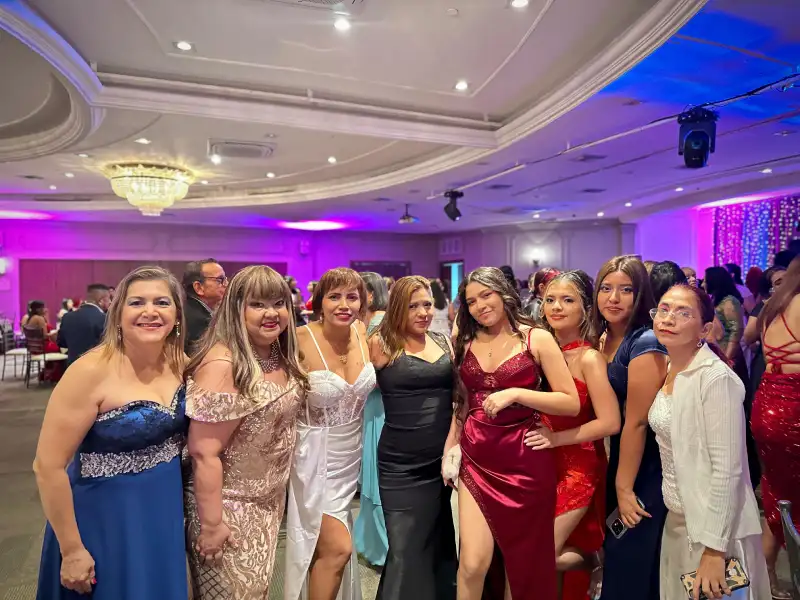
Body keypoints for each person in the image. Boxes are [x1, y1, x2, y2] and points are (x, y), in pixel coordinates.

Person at [34, 266, 189, 600]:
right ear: (117, 313)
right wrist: (72, 549)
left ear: (177, 315)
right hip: (105, 515)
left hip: (163, 507)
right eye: (137, 302)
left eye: (162, 302)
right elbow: (47, 466)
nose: (150, 311)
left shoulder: (180, 362)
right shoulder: (90, 371)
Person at [447, 266, 579, 600]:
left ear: (503, 293)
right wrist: (451, 447)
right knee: (472, 564)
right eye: (471, 301)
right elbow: (462, 403)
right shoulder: (464, 341)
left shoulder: (536, 338)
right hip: (476, 458)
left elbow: (570, 402)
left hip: (524, 461)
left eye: (486, 295)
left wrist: (517, 393)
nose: (480, 306)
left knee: (522, 564)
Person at [185, 265, 308, 599]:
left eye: (278, 303)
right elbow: (203, 452)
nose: (271, 313)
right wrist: (212, 525)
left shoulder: (279, 353)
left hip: (268, 502)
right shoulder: (224, 365)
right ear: (236, 308)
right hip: (228, 507)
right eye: (257, 304)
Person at [649, 284, 769, 600]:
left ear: (704, 329)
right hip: (678, 519)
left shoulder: (715, 379)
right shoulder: (673, 366)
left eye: (683, 313)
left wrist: (715, 550)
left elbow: (728, 471)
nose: (668, 318)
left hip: (712, 528)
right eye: (664, 309)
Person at [525, 270, 620, 600]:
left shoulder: (589, 358)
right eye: (550, 300)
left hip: (578, 468)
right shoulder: (538, 352)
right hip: (540, 465)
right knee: (533, 552)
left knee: (540, 554)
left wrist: (556, 440)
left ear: (585, 309)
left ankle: (598, 560)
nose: (557, 307)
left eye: (568, 300)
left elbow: (610, 422)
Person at [284, 268, 376, 600]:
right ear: (319, 302)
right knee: (338, 548)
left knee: (326, 551)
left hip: (350, 457)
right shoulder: (298, 338)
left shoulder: (363, 333)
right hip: (312, 458)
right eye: (334, 296)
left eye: (352, 297)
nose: (344, 305)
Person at [370, 276, 457, 600]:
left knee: (436, 541)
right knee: (404, 548)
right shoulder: (380, 344)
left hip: (439, 462)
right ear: (397, 308)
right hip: (400, 465)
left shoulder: (443, 341)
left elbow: (458, 399)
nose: (423, 312)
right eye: (413, 306)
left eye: (427, 305)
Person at [593, 255, 668, 600]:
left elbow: (638, 422)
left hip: (643, 466)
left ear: (640, 295)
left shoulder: (645, 342)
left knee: (631, 559)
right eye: (606, 288)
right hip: (614, 461)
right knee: (615, 557)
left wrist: (624, 488)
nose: (613, 298)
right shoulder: (602, 337)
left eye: (625, 290)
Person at [752, 256, 800, 597]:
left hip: (768, 403)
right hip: (795, 407)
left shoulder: (774, 305)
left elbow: (752, 338)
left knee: (778, 492)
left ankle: (764, 575)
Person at [353, 272, 390, 567]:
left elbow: (377, 377)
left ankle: (384, 549)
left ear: (369, 295)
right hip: (375, 408)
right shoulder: (373, 324)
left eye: (355, 293)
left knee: (377, 480)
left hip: (379, 408)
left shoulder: (376, 327)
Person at [703, 267, 747, 385]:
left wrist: (727, 358)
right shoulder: (715, 299)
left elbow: (736, 331)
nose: (702, 284)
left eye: (705, 281)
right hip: (718, 352)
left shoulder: (729, 301)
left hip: (729, 355)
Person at [57, 284, 111, 366]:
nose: (110, 302)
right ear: (101, 301)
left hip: (72, 368)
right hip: (97, 368)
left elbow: (61, 343)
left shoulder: (67, 317)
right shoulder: (105, 319)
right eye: (109, 298)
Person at [182, 259, 228, 353]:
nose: (226, 284)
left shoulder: (188, 308)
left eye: (225, 279)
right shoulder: (200, 320)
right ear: (198, 287)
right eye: (220, 280)